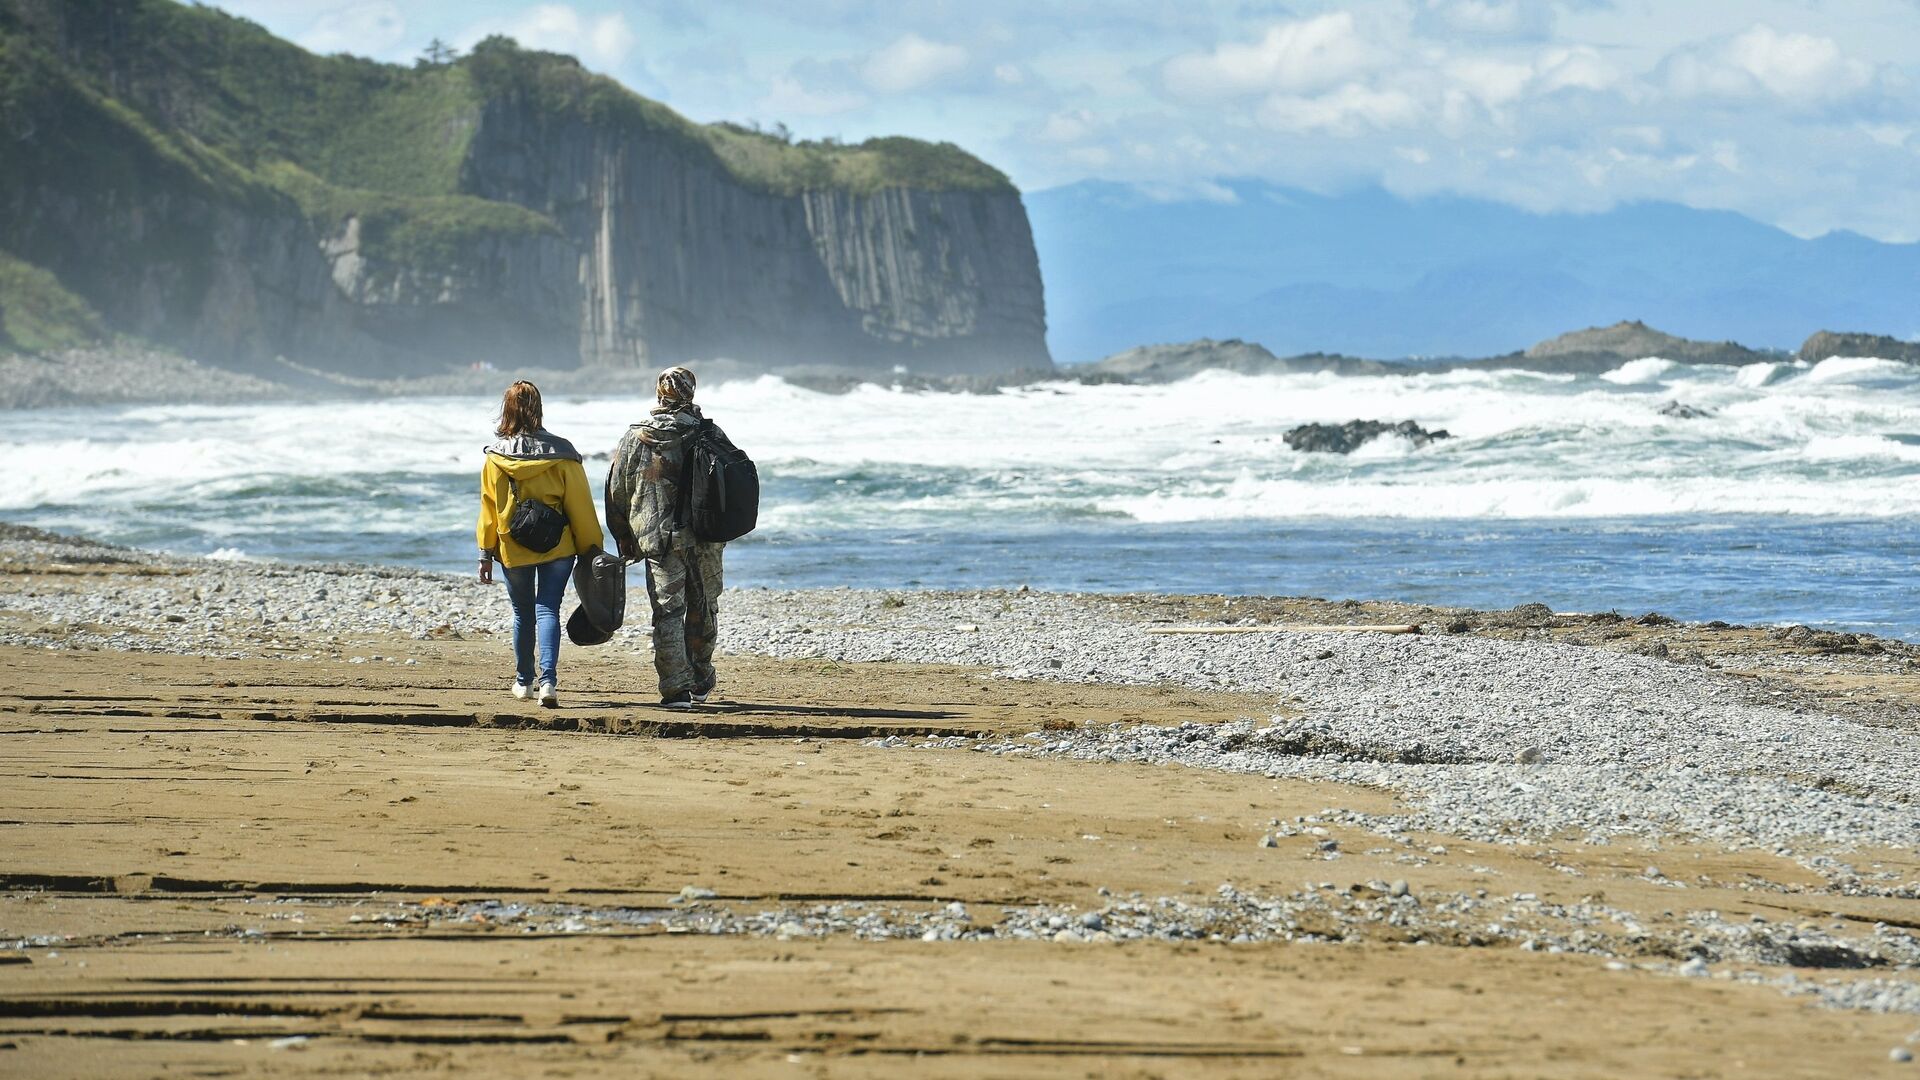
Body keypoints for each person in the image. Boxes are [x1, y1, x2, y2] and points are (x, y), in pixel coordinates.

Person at [476, 381, 604, 708]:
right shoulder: (564, 455)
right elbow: (581, 507)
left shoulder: (495, 458)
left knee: (523, 612)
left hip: (513, 548)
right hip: (557, 547)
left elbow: (489, 510)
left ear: (508, 410)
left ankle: (524, 681)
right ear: (539, 408)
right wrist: (592, 548)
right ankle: (548, 681)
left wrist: (485, 553)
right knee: (547, 608)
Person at [606, 366, 727, 709]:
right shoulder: (707, 432)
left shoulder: (635, 437)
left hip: (655, 537)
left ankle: (675, 689)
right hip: (703, 537)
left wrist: (623, 535)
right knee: (704, 607)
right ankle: (700, 680)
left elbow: (618, 489)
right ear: (690, 392)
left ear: (660, 392)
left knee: (668, 612)